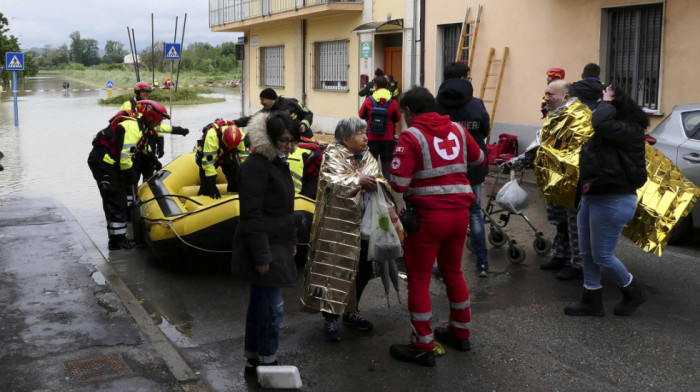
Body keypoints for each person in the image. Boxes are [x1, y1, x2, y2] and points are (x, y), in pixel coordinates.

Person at [388, 86, 485, 367]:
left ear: (408, 111)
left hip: (428, 218)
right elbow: (478, 159)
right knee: (453, 272)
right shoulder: (456, 128)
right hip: (460, 214)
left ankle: (422, 345)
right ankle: (460, 332)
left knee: (418, 279)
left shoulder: (411, 135)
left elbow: (399, 183)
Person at [300, 117, 387, 342]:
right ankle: (330, 317)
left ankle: (351, 311)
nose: (366, 137)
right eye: (360, 133)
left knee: (363, 269)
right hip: (337, 227)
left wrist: (376, 183)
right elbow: (332, 181)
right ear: (345, 139)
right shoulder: (332, 154)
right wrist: (358, 181)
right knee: (333, 270)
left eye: (365, 132)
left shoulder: (368, 156)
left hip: (364, 226)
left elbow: (380, 178)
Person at [564, 85, 649, 317]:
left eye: (605, 102)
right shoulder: (610, 131)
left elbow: (600, 122)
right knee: (587, 253)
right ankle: (592, 300)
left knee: (602, 255)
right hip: (593, 197)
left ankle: (633, 291)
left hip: (614, 199)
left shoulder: (630, 130)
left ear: (614, 107)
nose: (598, 106)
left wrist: (607, 101)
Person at [230, 112, 301, 375]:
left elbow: (284, 207)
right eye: (284, 141)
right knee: (272, 308)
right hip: (265, 245)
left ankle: (254, 356)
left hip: (278, 242)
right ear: (270, 139)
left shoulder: (276, 161)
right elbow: (251, 213)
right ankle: (267, 359)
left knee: (261, 303)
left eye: (293, 141)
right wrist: (262, 255)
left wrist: (292, 239)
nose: (290, 147)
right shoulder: (256, 166)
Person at [87, 100, 169, 250]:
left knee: (118, 198)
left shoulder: (139, 124)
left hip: (109, 162)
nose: (159, 124)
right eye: (158, 120)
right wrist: (130, 175)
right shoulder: (133, 128)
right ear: (150, 117)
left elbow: (135, 151)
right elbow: (125, 160)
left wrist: (153, 159)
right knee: (116, 199)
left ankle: (118, 238)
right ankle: (117, 242)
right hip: (103, 163)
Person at [435, 62, 491, 277]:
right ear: (462, 78)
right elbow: (485, 130)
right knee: (475, 213)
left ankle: (444, 267)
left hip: (445, 166)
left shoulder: (436, 104)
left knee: (446, 216)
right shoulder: (476, 104)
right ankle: (483, 264)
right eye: (468, 77)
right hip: (473, 165)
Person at [120, 82, 189, 182]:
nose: (146, 94)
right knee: (133, 177)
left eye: (148, 92)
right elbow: (127, 125)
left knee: (149, 175)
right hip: (133, 148)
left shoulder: (151, 106)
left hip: (148, 145)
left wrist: (162, 140)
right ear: (137, 92)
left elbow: (157, 125)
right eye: (144, 91)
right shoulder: (129, 105)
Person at [359, 76, 401, 178]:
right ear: (386, 86)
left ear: (375, 86)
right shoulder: (393, 102)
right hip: (388, 138)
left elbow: (361, 114)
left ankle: (373, 189)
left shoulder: (369, 100)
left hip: (372, 137)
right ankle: (387, 189)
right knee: (386, 164)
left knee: (371, 164)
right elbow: (398, 118)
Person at [195, 119, 246, 198]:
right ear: (223, 138)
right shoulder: (212, 137)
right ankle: (204, 198)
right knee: (207, 184)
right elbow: (208, 164)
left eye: (233, 147)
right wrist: (212, 186)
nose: (230, 148)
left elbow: (244, 158)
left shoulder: (241, 137)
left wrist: (246, 175)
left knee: (235, 180)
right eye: (229, 146)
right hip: (209, 156)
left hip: (228, 156)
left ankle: (233, 200)